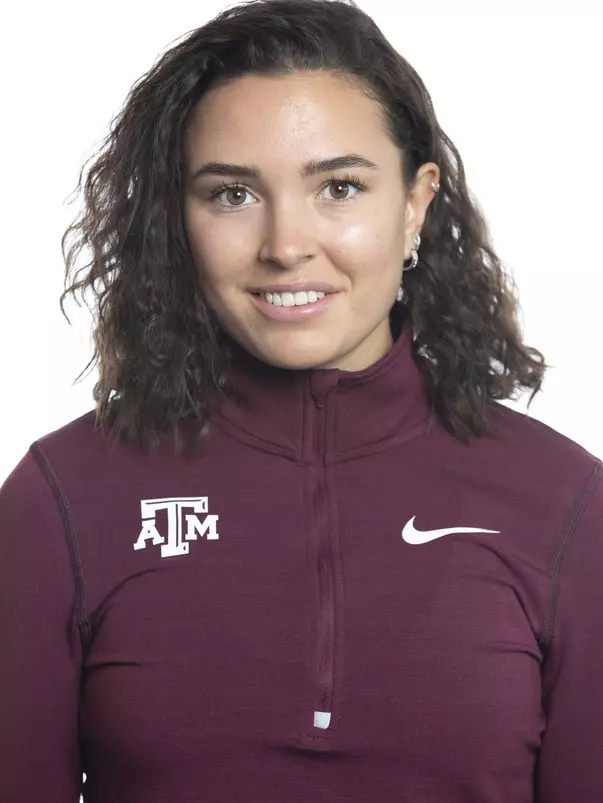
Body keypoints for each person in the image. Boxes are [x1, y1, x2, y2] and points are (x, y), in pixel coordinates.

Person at [1, 0, 601, 800]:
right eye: (231, 195)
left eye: (340, 187)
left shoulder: (562, 505)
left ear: (416, 201)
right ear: (177, 218)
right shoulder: (62, 499)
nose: (285, 245)